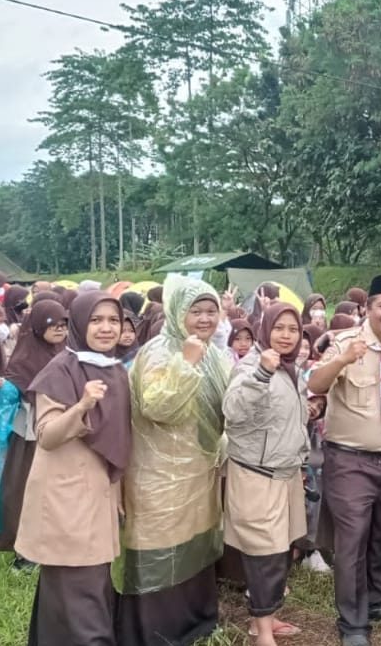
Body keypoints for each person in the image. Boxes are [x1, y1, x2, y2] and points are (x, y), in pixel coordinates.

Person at [116, 276, 232, 646]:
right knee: (160, 541)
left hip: (200, 470)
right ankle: (155, 630)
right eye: (196, 311)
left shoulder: (216, 354)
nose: (205, 319)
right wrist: (186, 363)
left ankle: (196, 620)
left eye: (211, 311)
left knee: (195, 541)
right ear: (177, 312)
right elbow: (157, 407)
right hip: (157, 473)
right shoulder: (157, 352)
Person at [17, 291, 131, 646]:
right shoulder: (62, 369)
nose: (106, 328)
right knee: (79, 585)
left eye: (113, 320)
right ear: (79, 324)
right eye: (96, 320)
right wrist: (81, 406)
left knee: (83, 583)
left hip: (99, 493)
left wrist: (119, 491)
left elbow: (119, 438)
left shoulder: (114, 369)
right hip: (66, 496)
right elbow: (47, 435)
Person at [308, 274, 381, 646]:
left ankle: (376, 598)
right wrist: (341, 360)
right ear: (367, 308)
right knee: (352, 540)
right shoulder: (342, 343)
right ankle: (353, 622)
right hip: (349, 460)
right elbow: (315, 385)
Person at [224, 302, 310, 645]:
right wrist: (261, 374)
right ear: (265, 328)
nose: (286, 335)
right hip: (257, 474)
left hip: (286, 471)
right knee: (265, 555)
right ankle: (261, 633)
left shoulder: (291, 367)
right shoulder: (251, 365)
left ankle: (268, 619)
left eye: (293, 329)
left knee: (282, 549)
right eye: (279, 328)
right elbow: (232, 411)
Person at [0, 299, 68, 564]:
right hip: (29, 436)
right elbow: (15, 394)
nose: (60, 329)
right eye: (53, 324)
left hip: (61, 433)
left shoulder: (66, 353)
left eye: (64, 324)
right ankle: (24, 550)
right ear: (37, 326)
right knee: (25, 490)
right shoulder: (23, 360)